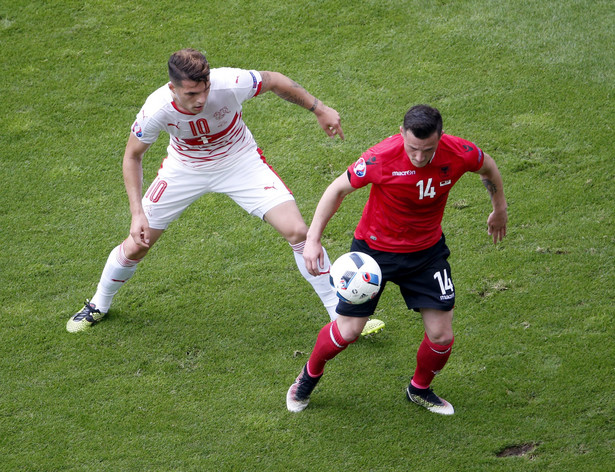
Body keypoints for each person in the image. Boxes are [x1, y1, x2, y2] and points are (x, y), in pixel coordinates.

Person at [66, 48, 384, 335]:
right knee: (137, 245)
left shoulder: (229, 82)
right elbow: (132, 156)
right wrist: (137, 214)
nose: (201, 99)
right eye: (191, 93)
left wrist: (319, 108)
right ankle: (98, 304)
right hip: (184, 170)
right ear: (172, 87)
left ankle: (338, 316)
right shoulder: (156, 110)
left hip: (240, 162)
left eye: (203, 90)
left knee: (298, 231)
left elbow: (274, 80)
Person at [286, 104, 508, 414]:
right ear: (401, 133)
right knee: (348, 330)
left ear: (440, 138)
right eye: (413, 148)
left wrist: (499, 208)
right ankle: (308, 377)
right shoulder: (381, 157)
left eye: (427, 150)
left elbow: (489, 167)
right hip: (373, 254)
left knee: (442, 336)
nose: (419, 157)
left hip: (427, 254)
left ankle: (419, 389)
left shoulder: (459, 152)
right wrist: (313, 239)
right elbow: (337, 189)